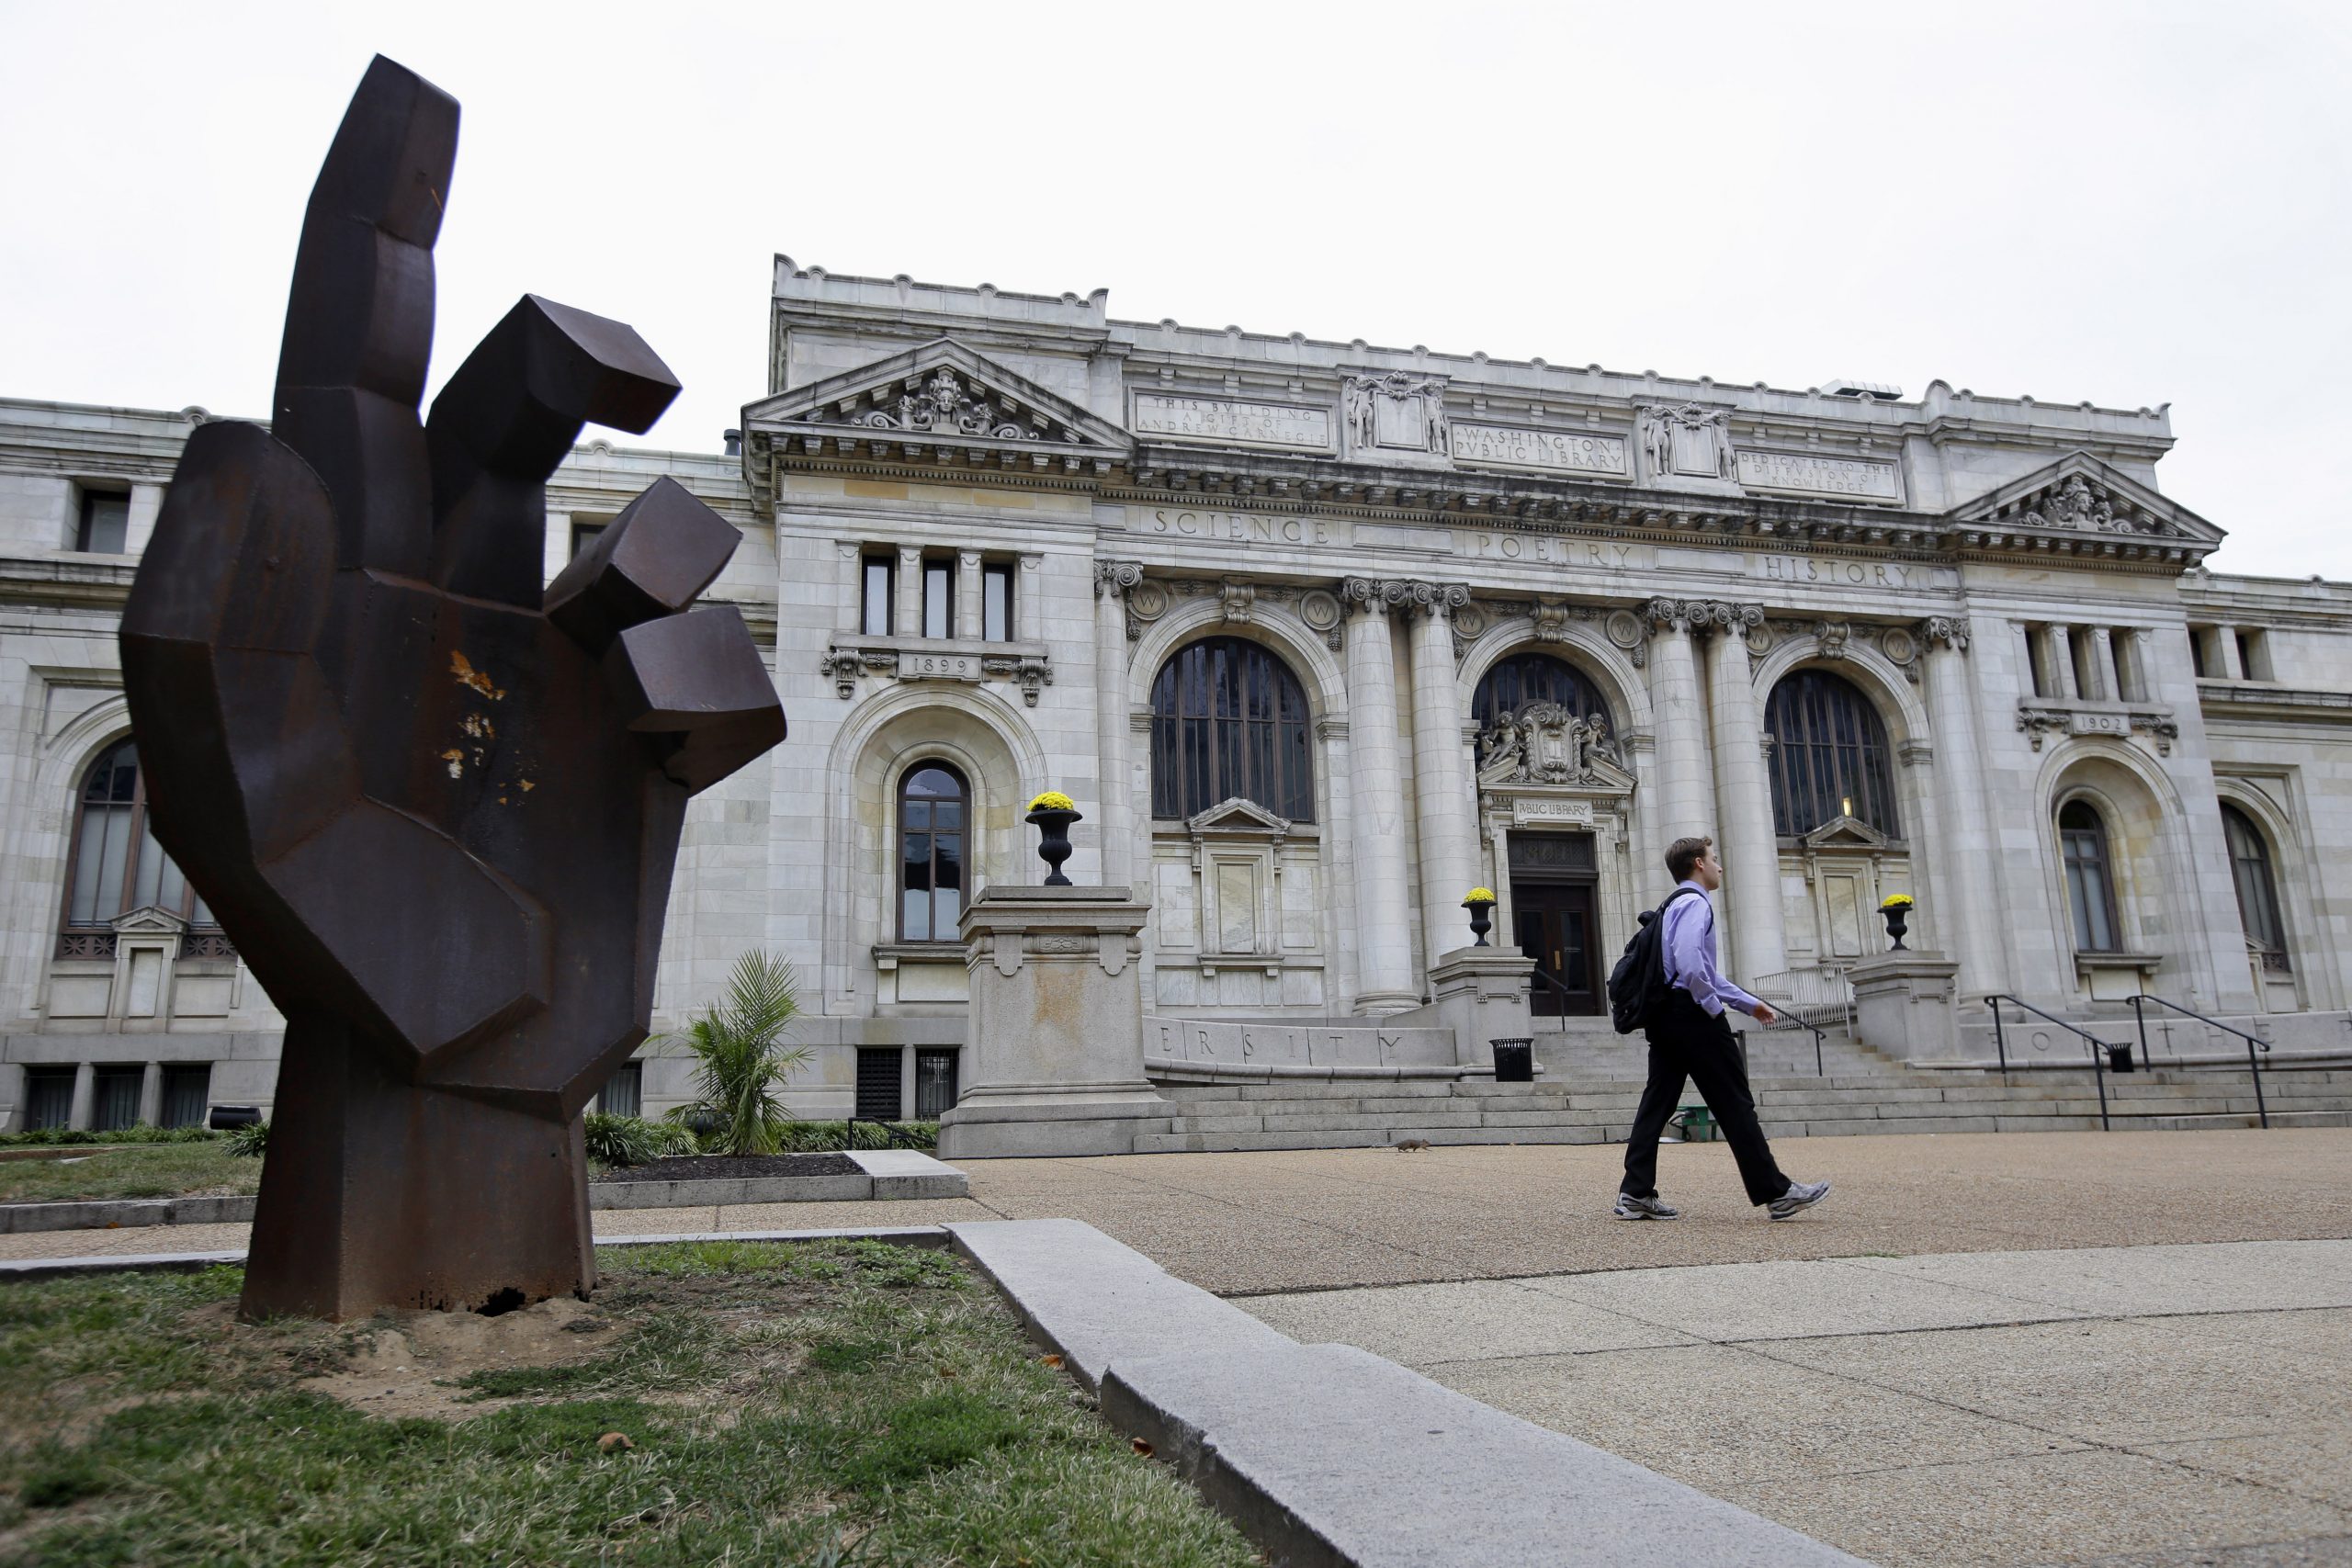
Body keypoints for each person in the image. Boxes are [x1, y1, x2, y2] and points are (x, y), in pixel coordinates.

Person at [1615, 835, 1832, 1222]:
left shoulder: (1671, 906)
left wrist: (1749, 1004)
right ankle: (1776, 1192)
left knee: (1657, 1103)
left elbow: (1702, 970)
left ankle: (1635, 1192)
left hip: (1665, 1016)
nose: (1719, 866)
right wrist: (1713, 1008)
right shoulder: (1696, 904)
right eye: (1714, 859)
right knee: (1734, 1102)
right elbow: (1692, 965)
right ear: (1698, 863)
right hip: (1692, 1016)